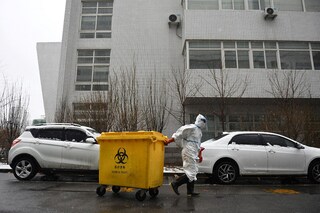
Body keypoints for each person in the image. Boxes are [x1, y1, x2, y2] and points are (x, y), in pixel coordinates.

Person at [164, 114, 206, 197]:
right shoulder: (191, 128)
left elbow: (198, 145)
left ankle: (190, 192)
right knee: (191, 172)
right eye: (202, 121)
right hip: (188, 151)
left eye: (204, 122)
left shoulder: (199, 132)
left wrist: (200, 154)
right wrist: (169, 141)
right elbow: (179, 134)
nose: (203, 123)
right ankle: (175, 183)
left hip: (193, 153)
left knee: (193, 171)